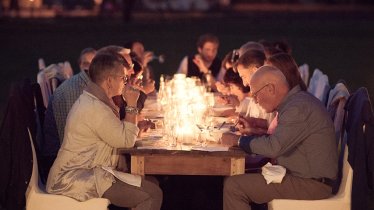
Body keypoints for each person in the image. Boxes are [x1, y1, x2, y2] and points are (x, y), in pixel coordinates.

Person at [46, 52, 163, 210]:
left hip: (94, 171)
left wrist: (136, 128)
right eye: (123, 78)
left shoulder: (96, 100)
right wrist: (131, 105)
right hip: (75, 178)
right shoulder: (95, 107)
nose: (126, 82)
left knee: (152, 184)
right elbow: (126, 141)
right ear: (109, 81)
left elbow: (113, 133)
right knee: (152, 195)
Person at [223, 66, 338, 210]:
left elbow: (274, 147)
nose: (256, 101)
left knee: (234, 186)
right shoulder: (296, 102)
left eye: (255, 95)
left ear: (270, 88)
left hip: (312, 184)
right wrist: (254, 133)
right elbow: (282, 139)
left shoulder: (297, 108)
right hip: (303, 176)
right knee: (242, 175)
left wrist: (238, 141)